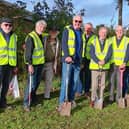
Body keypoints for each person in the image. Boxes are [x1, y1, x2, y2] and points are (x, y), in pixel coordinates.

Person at [58, 15, 86, 111]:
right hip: (68, 61)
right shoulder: (67, 30)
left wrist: (81, 60)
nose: (77, 23)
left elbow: (82, 47)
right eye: (76, 21)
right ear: (72, 21)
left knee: (74, 82)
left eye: (79, 21)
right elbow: (64, 43)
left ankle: (71, 100)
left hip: (77, 61)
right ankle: (62, 102)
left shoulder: (82, 33)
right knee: (66, 82)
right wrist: (67, 56)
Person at [23, 20, 47, 111]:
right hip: (32, 65)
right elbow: (28, 52)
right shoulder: (31, 37)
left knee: (36, 83)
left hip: (40, 64)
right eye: (40, 27)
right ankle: (26, 103)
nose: (42, 29)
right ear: (36, 27)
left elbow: (51, 35)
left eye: (44, 27)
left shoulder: (42, 36)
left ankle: (32, 99)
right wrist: (30, 65)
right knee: (31, 84)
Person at [89, 26, 112, 107]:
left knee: (102, 85)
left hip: (105, 67)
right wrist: (98, 61)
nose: (104, 34)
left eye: (105, 33)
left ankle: (101, 100)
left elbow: (110, 53)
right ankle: (93, 99)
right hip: (95, 67)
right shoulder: (93, 42)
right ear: (99, 33)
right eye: (102, 32)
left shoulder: (109, 42)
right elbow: (91, 53)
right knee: (94, 85)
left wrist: (104, 61)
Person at [0, 17, 18, 108]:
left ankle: (3, 103)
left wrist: (15, 65)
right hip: (0, 64)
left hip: (9, 64)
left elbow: (14, 52)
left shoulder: (14, 36)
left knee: (6, 85)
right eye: (6, 24)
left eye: (10, 25)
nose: (8, 27)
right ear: (1, 25)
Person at [109, 25, 129, 102]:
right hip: (113, 64)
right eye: (118, 30)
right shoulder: (111, 40)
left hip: (122, 65)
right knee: (111, 81)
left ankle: (118, 98)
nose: (119, 32)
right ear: (115, 32)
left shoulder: (127, 40)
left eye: (121, 30)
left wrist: (124, 62)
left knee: (120, 82)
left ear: (123, 31)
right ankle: (111, 97)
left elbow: (128, 52)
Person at [77, 22, 95, 98]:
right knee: (79, 75)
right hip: (81, 58)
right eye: (86, 28)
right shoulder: (81, 35)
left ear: (91, 29)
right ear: (84, 28)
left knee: (88, 75)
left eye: (89, 28)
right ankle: (79, 91)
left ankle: (87, 91)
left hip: (89, 59)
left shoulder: (94, 37)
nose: (87, 29)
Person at [42, 26, 60, 99]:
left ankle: (47, 96)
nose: (53, 33)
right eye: (52, 31)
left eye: (55, 32)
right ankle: (33, 95)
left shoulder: (58, 41)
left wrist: (56, 64)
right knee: (36, 79)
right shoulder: (44, 39)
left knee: (49, 80)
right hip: (41, 62)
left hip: (50, 63)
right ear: (49, 32)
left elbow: (58, 54)